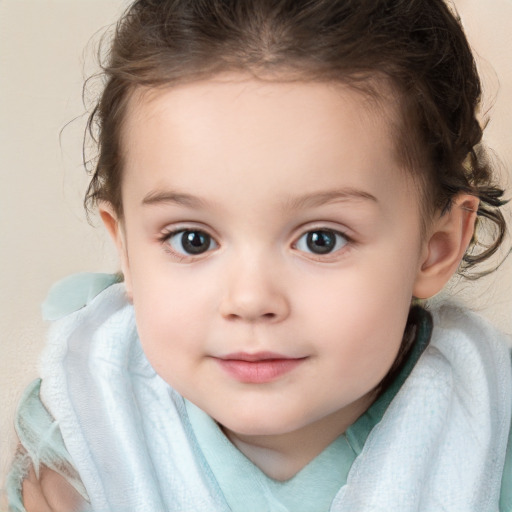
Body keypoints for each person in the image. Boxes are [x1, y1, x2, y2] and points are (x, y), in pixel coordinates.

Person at [6, 0, 512, 510]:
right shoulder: (82, 432)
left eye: (321, 239)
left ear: (436, 247)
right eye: (192, 240)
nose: (250, 300)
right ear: (127, 250)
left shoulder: (490, 431)